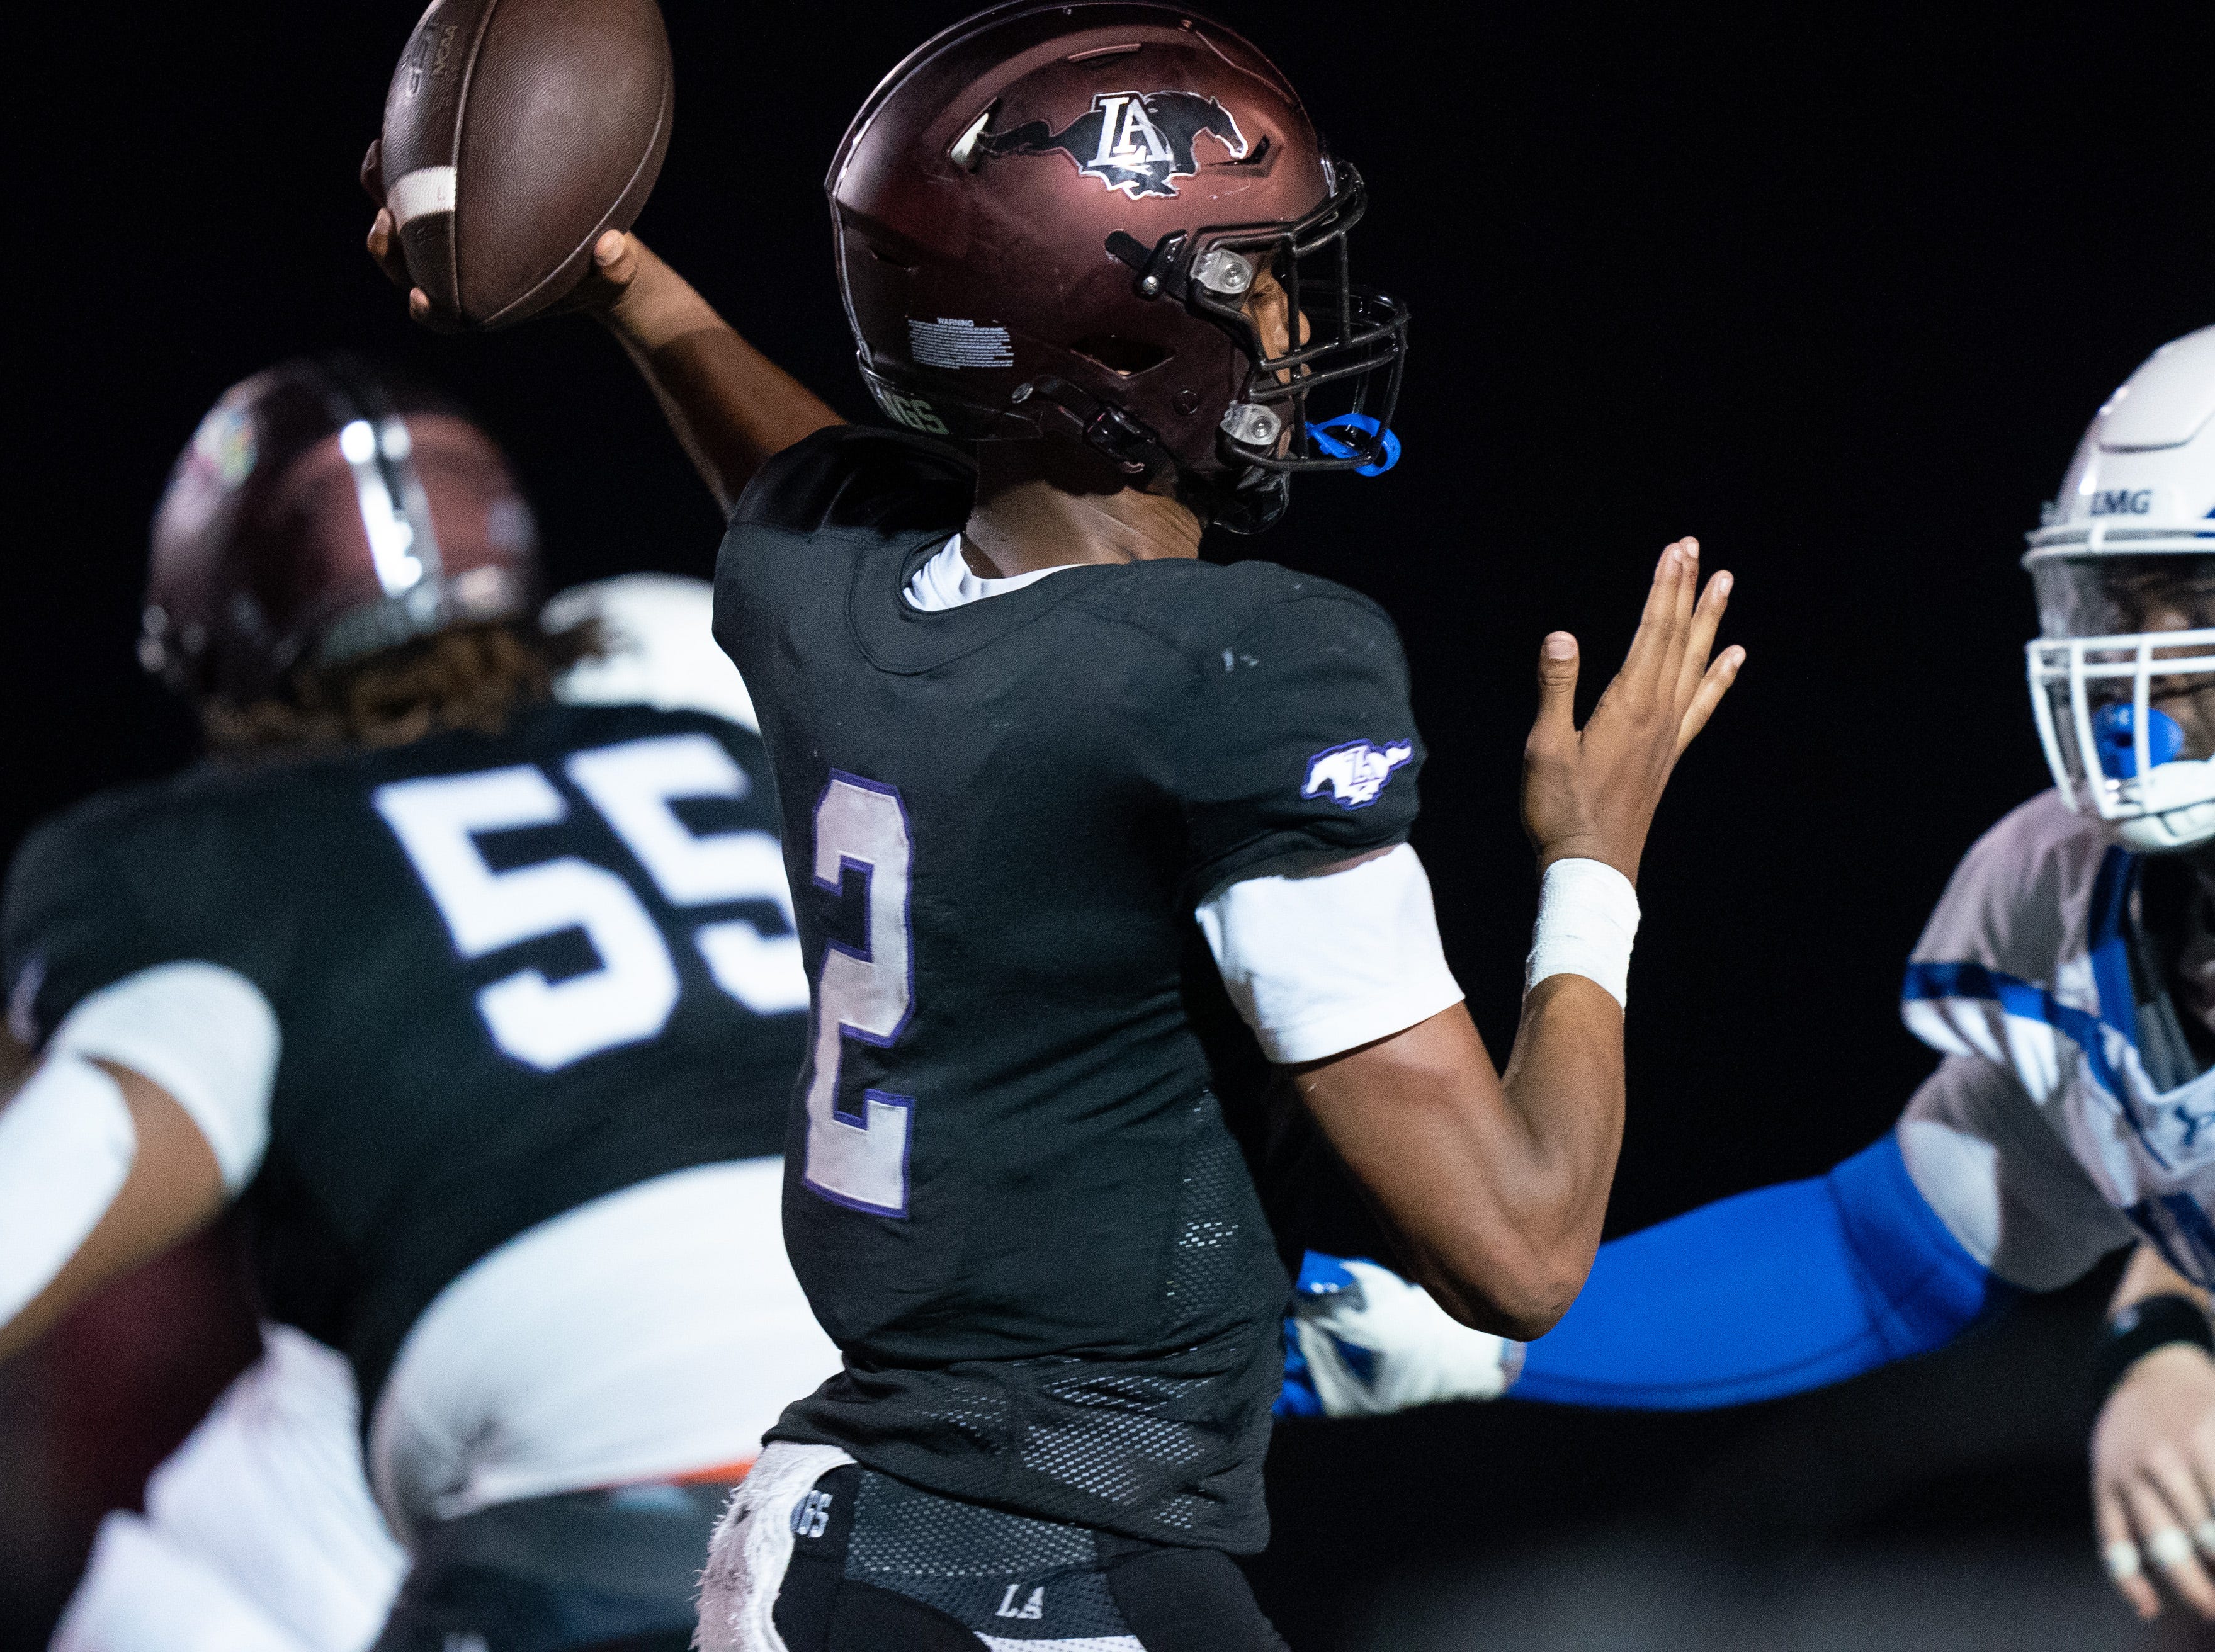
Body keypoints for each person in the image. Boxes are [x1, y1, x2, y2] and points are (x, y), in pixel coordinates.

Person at [370, 4, 1742, 1646]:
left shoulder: (838, 605)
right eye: (1250, 279)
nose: (1296, 316)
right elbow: (1519, 1251)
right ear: (1114, 335)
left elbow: (800, 484)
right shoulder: (1243, 672)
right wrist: (1596, 865)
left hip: (839, 1538)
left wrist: (628, 291)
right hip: (1036, 1577)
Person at [0, 358, 840, 1652]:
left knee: (167, 1602)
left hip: (606, 1510)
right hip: (989, 1425)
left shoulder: (211, 863)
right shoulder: (704, 694)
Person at [1284, 326, 2215, 1627]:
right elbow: (1885, 1249)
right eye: (2127, 601)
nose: (2146, 662)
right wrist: (1459, 1339)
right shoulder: (2079, 900)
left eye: (2195, 604)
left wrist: (2173, 1336)